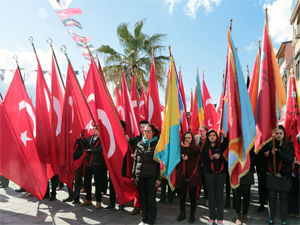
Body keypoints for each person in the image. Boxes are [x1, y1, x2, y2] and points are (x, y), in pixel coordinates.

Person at [263, 125, 294, 225]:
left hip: (284, 177)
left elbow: (289, 159)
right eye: (277, 133)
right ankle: (271, 219)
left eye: (280, 133)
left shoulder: (289, 146)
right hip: (272, 175)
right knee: (271, 198)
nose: (278, 135)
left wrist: (278, 152)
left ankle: (283, 221)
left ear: (284, 134)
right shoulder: (271, 143)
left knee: (283, 199)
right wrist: (267, 151)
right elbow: (261, 148)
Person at [132, 123, 161, 225]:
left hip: (151, 177)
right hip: (140, 176)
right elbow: (135, 160)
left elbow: (160, 164)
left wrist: (159, 178)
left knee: (151, 200)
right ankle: (144, 219)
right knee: (142, 199)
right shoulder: (140, 144)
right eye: (145, 131)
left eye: (148, 131)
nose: (146, 133)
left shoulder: (157, 144)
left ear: (153, 132)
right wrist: (133, 175)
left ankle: (151, 220)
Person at [201, 129, 228, 225]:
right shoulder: (205, 148)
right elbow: (203, 161)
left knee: (219, 197)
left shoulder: (220, 147)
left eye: (214, 135)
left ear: (216, 137)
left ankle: (220, 218)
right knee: (211, 197)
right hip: (209, 174)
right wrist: (212, 157)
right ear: (207, 138)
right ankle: (212, 217)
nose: (212, 137)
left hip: (220, 174)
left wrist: (224, 135)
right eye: (210, 135)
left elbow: (227, 142)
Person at [176, 131, 201, 224]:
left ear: (192, 139)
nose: (187, 139)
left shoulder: (195, 147)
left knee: (193, 197)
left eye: (189, 138)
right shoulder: (181, 148)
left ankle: (192, 215)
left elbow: (197, 150)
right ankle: (182, 213)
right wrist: (182, 155)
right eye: (185, 138)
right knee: (182, 196)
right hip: (182, 175)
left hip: (193, 176)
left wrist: (188, 147)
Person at [125, 120, 149, 215]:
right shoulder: (137, 138)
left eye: (144, 127)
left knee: (146, 190)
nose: (142, 129)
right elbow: (130, 141)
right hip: (138, 168)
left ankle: (146, 208)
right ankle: (137, 206)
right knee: (138, 189)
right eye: (141, 127)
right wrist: (127, 138)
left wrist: (138, 155)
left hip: (148, 169)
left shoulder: (152, 140)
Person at [80, 125, 107, 209]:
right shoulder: (90, 138)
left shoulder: (102, 139)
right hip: (89, 164)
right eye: (93, 129)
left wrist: (89, 151)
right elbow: (84, 142)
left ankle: (98, 201)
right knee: (87, 182)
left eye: (96, 129)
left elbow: (100, 150)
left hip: (97, 164)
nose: (94, 130)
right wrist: (79, 137)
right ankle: (88, 199)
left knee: (98, 184)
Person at [234, 148, 255, 225]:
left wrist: (247, 160)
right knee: (237, 193)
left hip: (248, 169)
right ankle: (237, 215)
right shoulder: (236, 139)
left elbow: (256, 156)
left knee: (246, 193)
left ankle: (245, 214)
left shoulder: (251, 142)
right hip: (237, 169)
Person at [63, 133, 86, 204]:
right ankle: (70, 195)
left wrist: (79, 139)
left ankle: (76, 197)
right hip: (70, 163)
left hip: (77, 163)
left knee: (77, 180)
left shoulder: (82, 141)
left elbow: (82, 151)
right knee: (69, 179)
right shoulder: (70, 140)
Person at [195, 126, 209, 207]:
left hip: (205, 164)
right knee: (197, 182)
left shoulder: (208, 140)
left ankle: (207, 199)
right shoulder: (197, 139)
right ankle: (196, 198)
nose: (201, 133)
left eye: (203, 131)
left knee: (206, 183)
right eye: (200, 131)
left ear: (206, 131)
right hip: (198, 164)